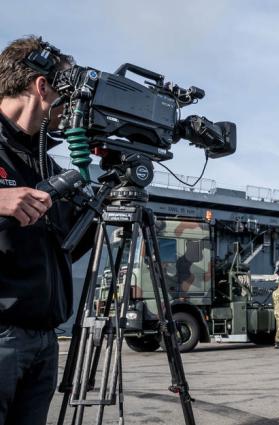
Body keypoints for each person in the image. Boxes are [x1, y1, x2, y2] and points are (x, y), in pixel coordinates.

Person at [0, 36, 92, 425]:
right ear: (42, 87)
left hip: (44, 338)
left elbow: (69, 243)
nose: (70, 108)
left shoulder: (44, 163)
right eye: (67, 93)